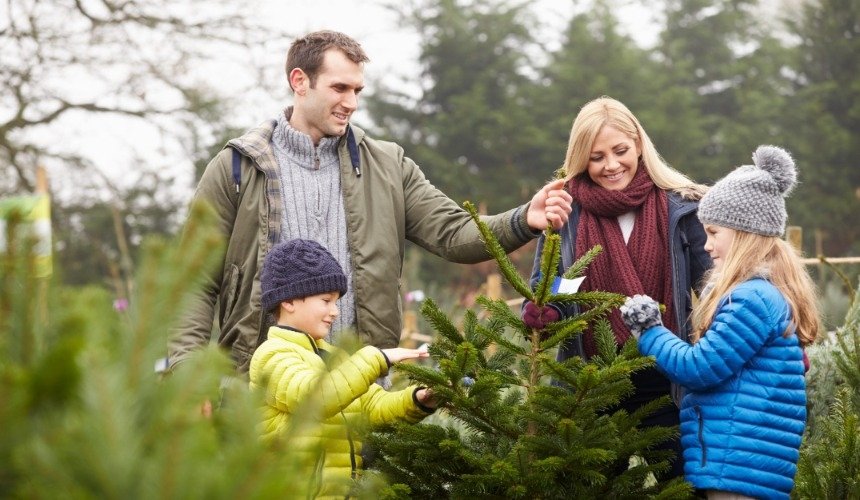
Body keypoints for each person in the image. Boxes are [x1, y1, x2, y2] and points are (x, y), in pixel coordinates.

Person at [170, 30, 572, 373]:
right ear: (299, 81)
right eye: (339, 88)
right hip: (260, 392)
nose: (352, 103)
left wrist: (524, 219)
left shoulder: (388, 166)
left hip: (360, 387)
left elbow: (453, 233)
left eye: (357, 90)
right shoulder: (236, 168)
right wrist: (185, 372)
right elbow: (192, 281)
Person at [522, 96, 711, 479]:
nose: (611, 165)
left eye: (620, 151)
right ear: (581, 159)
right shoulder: (566, 211)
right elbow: (557, 282)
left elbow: (714, 287)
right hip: (591, 386)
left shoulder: (682, 206)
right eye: (596, 157)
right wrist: (547, 307)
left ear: (639, 144)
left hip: (669, 385)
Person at [620, 145, 819, 499]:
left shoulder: (751, 299)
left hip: (737, 463)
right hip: (742, 460)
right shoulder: (764, 294)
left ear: (743, 233)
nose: (707, 246)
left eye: (714, 233)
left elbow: (699, 368)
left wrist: (650, 329)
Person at [249, 239, 437, 498]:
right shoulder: (272, 356)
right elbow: (316, 398)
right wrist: (377, 357)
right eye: (326, 300)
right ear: (289, 301)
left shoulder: (333, 357)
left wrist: (419, 399)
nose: (335, 311)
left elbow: (373, 407)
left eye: (336, 302)